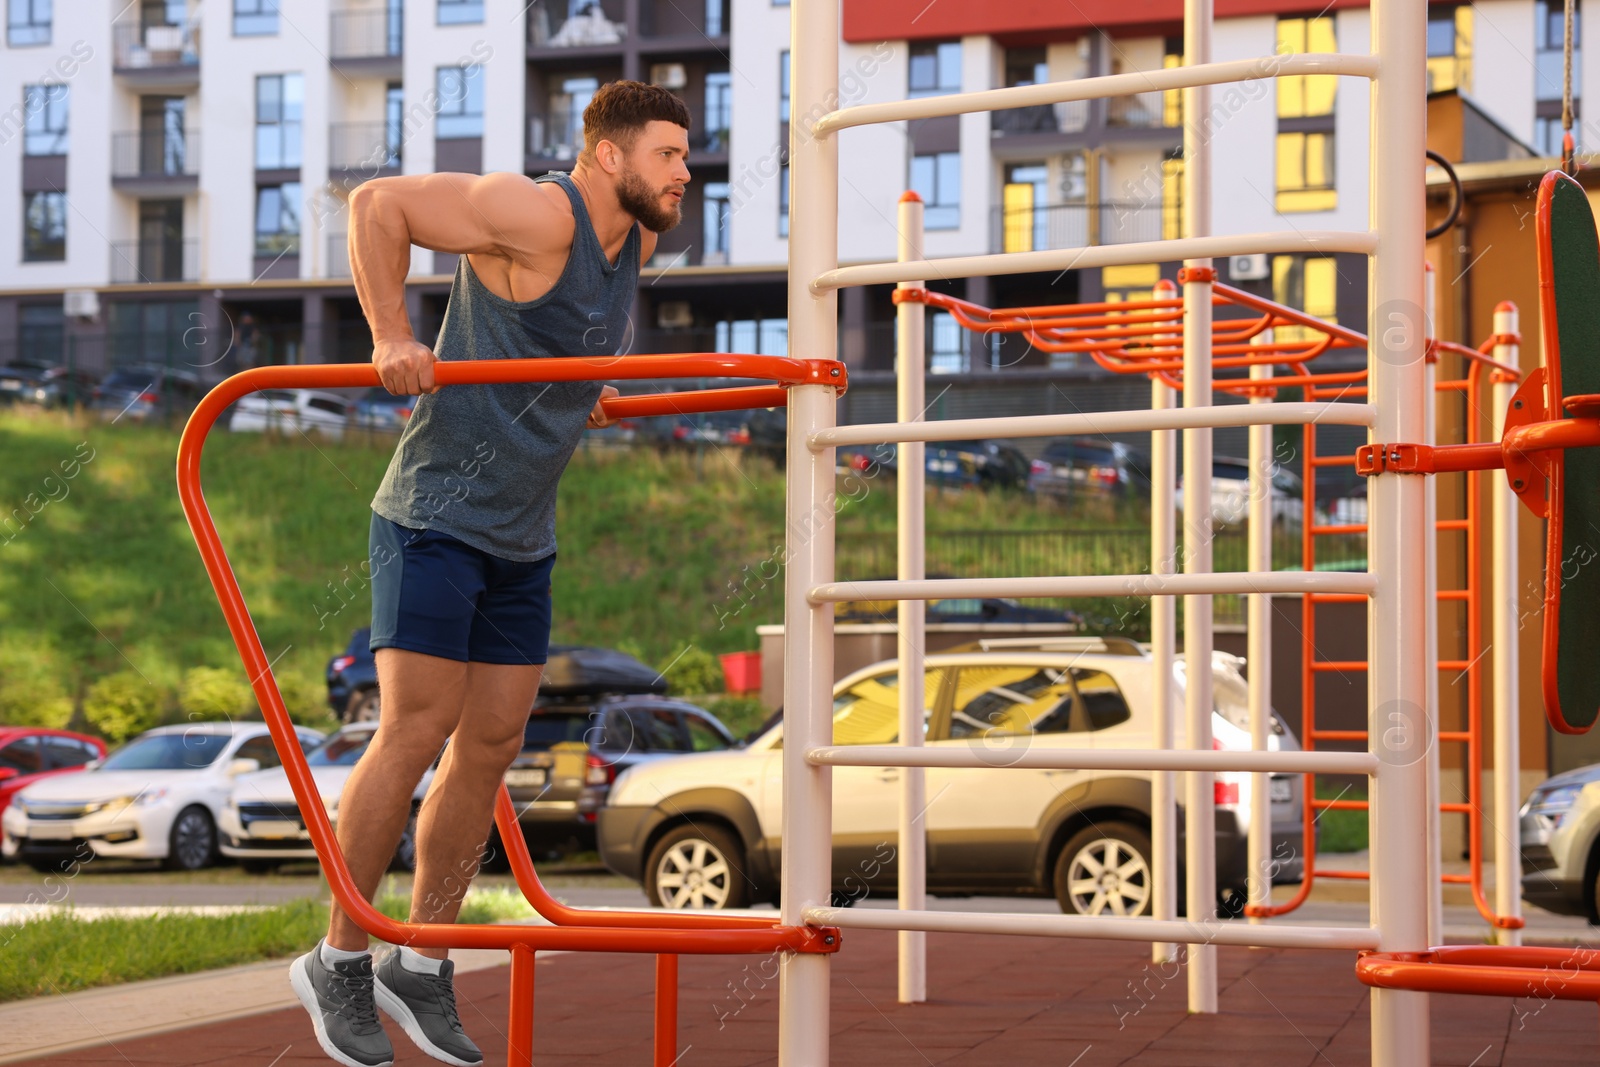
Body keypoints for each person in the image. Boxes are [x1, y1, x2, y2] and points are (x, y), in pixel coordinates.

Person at [289, 81, 690, 1067]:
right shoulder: (532, 209)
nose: (686, 172)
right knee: (418, 726)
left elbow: (562, 343)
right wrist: (389, 334)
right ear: (611, 158)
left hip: (522, 535)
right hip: (433, 516)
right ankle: (338, 954)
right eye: (670, 154)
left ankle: (419, 962)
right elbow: (377, 203)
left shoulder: (636, 245)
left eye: (688, 156)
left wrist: (582, 386)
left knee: (491, 741)